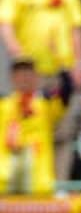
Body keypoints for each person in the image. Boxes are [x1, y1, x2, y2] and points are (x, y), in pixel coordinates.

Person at [0, 59, 70, 196]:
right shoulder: (4, 105)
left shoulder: (46, 104)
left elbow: (66, 90)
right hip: (4, 184)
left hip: (38, 186)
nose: (25, 78)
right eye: (20, 73)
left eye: (29, 73)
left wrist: (60, 61)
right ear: (12, 77)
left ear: (37, 77)